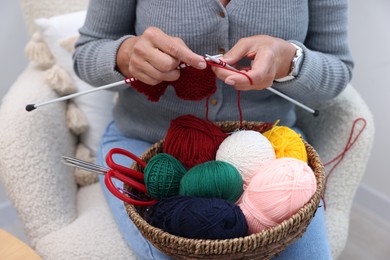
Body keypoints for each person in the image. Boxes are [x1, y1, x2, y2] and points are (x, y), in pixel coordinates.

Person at [74, 0, 353, 259]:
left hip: (269, 149)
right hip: (146, 145)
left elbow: (338, 70)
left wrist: (290, 61)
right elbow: (85, 53)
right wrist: (124, 55)